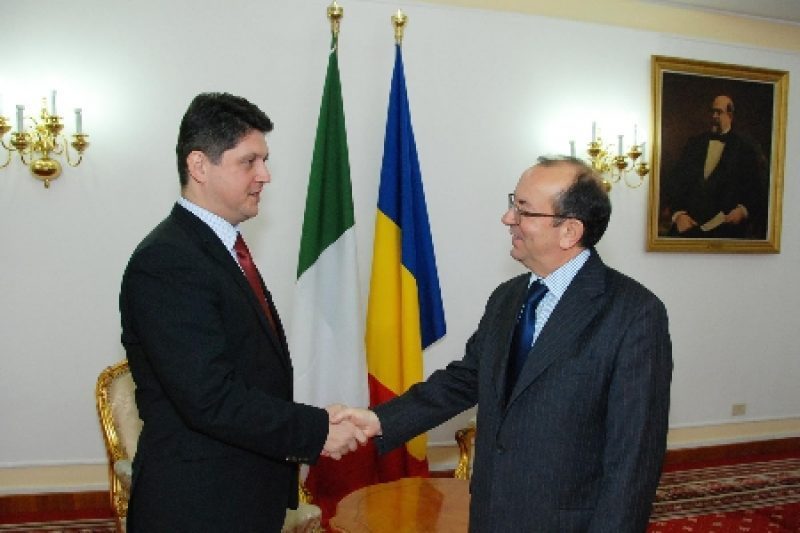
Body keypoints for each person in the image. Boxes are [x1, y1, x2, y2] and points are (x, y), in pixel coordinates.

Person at [336, 156, 673, 532]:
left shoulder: (633, 313)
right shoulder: (507, 297)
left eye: (523, 209)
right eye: (513, 203)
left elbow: (634, 457)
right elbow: (465, 379)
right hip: (491, 514)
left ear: (569, 231)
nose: (507, 218)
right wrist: (380, 419)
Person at [119, 92, 365, 532]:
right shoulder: (168, 260)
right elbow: (210, 398)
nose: (265, 175)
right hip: (196, 509)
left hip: (241, 499)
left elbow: (253, 373)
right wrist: (317, 430)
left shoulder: (219, 248)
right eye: (249, 162)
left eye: (264, 161)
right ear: (199, 166)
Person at [664, 94, 768, 238]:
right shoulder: (694, 144)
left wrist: (742, 211)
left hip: (725, 228)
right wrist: (679, 214)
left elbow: (755, 190)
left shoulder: (745, 149)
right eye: (712, 111)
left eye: (718, 112)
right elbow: (676, 181)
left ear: (730, 115)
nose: (714, 116)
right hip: (689, 225)